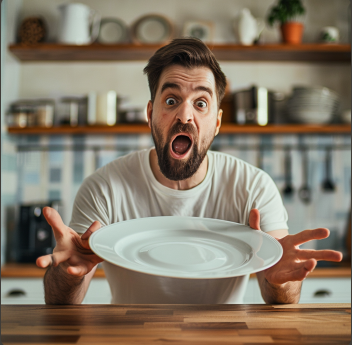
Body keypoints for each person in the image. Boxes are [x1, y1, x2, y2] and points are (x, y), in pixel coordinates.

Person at [36, 38, 342, 305]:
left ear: (218, 123)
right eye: (171, 100)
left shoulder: (253, 187)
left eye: (201, 103)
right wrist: (66, 275)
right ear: (150, 113)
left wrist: (281, 280)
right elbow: (62, 301)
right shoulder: (104, 188)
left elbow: (280, 297)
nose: (185, 115)